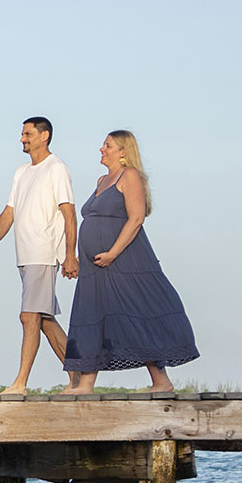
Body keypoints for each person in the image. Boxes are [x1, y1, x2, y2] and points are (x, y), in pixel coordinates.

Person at [62, 130, 198, 393]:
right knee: (92, 313)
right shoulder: (102, 180)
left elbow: (136, 218)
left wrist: (113, 252)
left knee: (137, 311)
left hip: (124, 259)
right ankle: (86, 383)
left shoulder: (129, 176)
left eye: (107, 145)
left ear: (123, 151)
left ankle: (161, 381)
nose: (101, 149)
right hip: (94, 267)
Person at [0, 117, 80, 393]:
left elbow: (69, 213)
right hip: (24, 256)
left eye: (27, 134)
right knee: (44, 319)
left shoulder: (56, 169)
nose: (22, 139)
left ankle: (20, 383)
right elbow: (9, 211)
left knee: (29, 317)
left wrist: (71, 255)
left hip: (44, 252)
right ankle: (77, 377)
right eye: (22, 134)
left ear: (44, 135)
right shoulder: (22, 172)